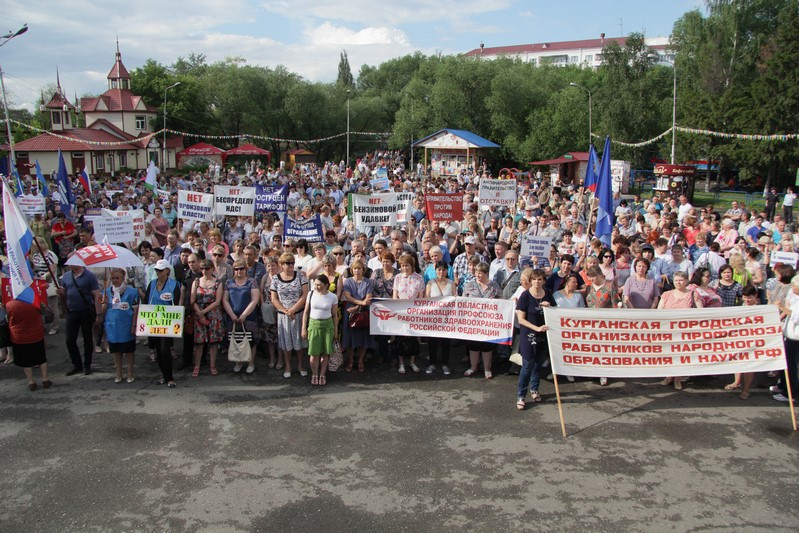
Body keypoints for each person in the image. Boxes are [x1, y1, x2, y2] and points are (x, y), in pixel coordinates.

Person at [515, 269, 555, 409]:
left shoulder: (548, 293)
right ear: (530, 280)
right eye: (534, 279)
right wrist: (536, 328)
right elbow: (521, 319)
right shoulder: (525, 296)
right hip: (529, 334)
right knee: (527, 365)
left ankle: (534, 389)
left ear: (544, 281)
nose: (537, 282)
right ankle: (521, 395)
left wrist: (549, 307)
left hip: (543, 334)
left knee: (538, 363)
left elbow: (555, 312)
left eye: (540, 279)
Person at [657, 271, 703, 390]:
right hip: (668, 330)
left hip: (685, 331)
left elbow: (701, 312)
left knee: (680, 354)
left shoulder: (693, 294)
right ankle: (669, 376)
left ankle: (678, 378)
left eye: (681, 280)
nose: (679, 282)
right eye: (676, 280)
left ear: (687, 281)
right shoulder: (666, 294)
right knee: (669, 354)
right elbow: (659, 311)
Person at [58, 256, 102, 376]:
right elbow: (64, 293)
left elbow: (97, 295)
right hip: (72, 311)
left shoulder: (89, 276)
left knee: (87, 338)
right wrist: (62, 294)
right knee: (69, 339)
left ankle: (87, 364)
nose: (69, 265)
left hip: (86, 311)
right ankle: (76, 364)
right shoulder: (66, 276)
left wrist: (98, 313)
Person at [143, 259, 182, 388]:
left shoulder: (174, 285)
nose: (158, 272)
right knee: (158, 350)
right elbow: (146, 301)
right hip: (153, 321)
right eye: (156, 270)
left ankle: (170, 377)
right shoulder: (152, 284)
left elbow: (176, 304)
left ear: (167, 271)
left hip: (167, 322)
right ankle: (164, 376)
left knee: (165, 349)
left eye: (161, 270)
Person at [271, 252, 309, 378]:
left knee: (299, 342)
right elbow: (274, 298)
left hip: (298, 314)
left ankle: (300, 365)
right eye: (288, 263)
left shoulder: (300, 276)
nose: (291, 265)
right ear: (281, 265)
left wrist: (293, 309)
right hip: (283, 315)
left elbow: (304, 295)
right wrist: (285, 310)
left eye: (292, 262)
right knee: (286, 343)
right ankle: (288, 365)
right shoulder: (276, 278)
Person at [462, 262, 502, 379]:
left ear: (486, 273)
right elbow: (464, 300)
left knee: (487, 346)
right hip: (473, 321)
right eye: (476, 273)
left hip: (488, 322)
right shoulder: (470, 284)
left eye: (480, 273)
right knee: (473, 345)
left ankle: (487, 368)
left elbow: (501, 299)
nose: (478, 275)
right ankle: (473, 367)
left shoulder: (494, 285)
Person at [5, 296, 51, 391]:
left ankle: (31, 382)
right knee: (41, 358)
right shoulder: (34, 301)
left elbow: (7, 319)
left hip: (20, 337)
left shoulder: (10, 305)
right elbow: (43, 311)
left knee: (26, 361)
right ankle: (45, 379)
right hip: (36, 334)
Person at [223, 260, 261, 374]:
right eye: (236, 269)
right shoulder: (229, 283)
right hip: (232, 316)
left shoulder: (252, 281)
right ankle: (238, 362)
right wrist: (232, 314)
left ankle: (250, 362)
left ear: (245, 269)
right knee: (236, 338)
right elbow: (225, 300)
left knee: (251, 340)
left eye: (241, 268)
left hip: (249, 316)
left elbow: (255, 299)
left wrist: (244, 314)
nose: (239, 271)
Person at [301, 274, 339, 386]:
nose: (317, 287)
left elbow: (335, 315)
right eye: (315, 284)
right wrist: (304, 328)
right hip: (313, 325)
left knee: (325, 353)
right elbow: (306, 312)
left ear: (326, 285)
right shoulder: (311, 294)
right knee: (314, 353)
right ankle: (314, 374)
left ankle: (322, 374)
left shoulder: (333, 297)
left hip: (328, 326)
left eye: (319, 285)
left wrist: (336, 331)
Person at [102, 268, 139, 383]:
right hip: (112, 325)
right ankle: (118, 371)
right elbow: (104, 310)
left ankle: (130, 371)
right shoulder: (107, 291)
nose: (114, 280)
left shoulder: (132, 291)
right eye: (112, 278)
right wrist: (103, 302)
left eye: (117, 278)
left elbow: (135, 309)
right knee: (116, 349)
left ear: (123, 279)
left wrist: (134, 325)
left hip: (126, 324)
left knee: (128, 350)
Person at [191, 259, 224, 377]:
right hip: (199, 312)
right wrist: (200, 313)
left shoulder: (218, 282)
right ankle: (197, 366)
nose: (205, 271)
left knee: (213, 342)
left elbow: (218, 301)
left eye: (207, 268)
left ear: (212, 269)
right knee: (199, 342)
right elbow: (192, 300)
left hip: (213, 313)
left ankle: (212, 365)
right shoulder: (196, 282)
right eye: (202, 268)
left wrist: (204, 311)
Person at [726, 285, 760, 399]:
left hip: (752, 341)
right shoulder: (738, 305)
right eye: (744, 297)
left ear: (755, 296)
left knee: (748, 366)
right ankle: (736, 382)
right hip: (739, 339)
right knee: (737, 361)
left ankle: (746, 390)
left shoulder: (762, 309)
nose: (747, 300)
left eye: (749, 298)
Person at [343, 259, 376, 372]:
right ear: (352, 270)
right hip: (350, 313)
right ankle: (351, 360)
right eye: (355, 268)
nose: (357, 271)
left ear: (363, 270)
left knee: (363, 339)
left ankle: (361, 360)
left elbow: (368, 298)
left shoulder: (368, 282)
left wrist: (357, 307)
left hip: (363, 313)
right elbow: (348, 297)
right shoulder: (347, 281)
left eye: (359, 268)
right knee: (350, 339)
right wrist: (360, 303)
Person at [425, 261, 455, 375]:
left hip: (447, 318)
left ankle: (445, 363)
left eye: (443, 269)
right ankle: (432, 363)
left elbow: (455, 300)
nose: (441, 272)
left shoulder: (451, 283)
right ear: (435, 270)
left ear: (447, 271)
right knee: (432, 341)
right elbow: (427, 299)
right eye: (439, 269)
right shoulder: (430, 283)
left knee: (446, 341)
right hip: (433, 317)